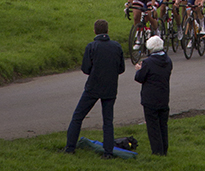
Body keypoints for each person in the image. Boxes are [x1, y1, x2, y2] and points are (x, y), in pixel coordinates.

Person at [64, 19, 125, 156]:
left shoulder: (91, 47)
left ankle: (70, 148)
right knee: (108, 121)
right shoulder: (117, 46)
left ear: (94, 31)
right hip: (110, 87)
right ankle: (108, 152)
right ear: (108, 31)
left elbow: (86, 69)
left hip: (93, 87)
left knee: (78, 116)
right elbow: (121, 68)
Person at [134, 35, 173, 156]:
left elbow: (140, 78)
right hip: (163, 97)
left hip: (150, 99)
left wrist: (139, 69)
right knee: (163, 125)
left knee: (153, 126)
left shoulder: (148, 63)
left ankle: (157, 151)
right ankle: (164, 149)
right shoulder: (168, 61)